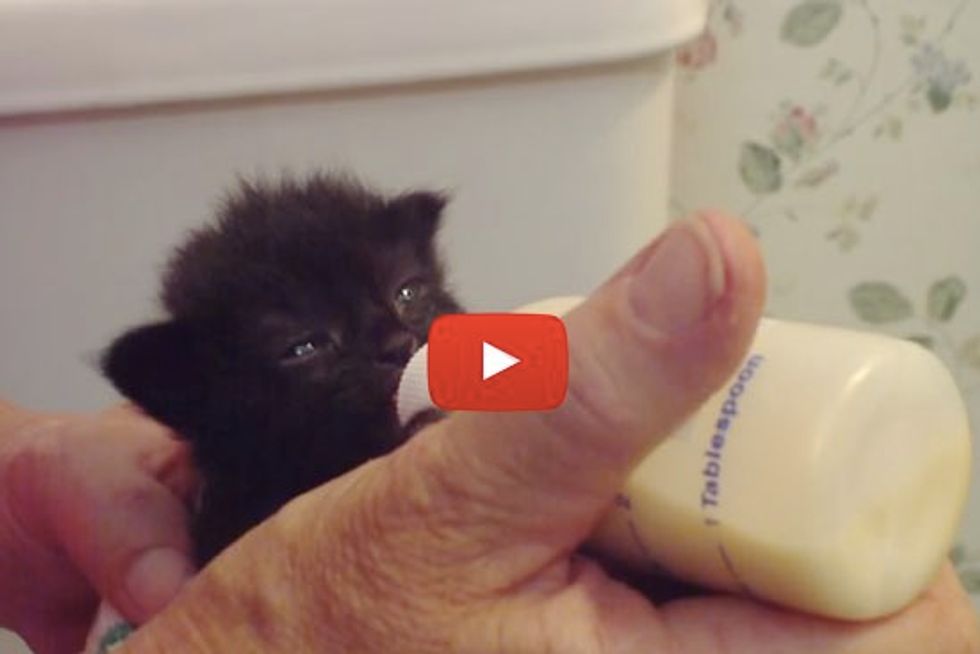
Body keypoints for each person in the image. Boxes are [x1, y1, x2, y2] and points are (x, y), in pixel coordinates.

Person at [1, 213, 977, 653]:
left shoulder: (490, 375)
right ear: (190, 398)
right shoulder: (226, 531)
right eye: (303, 346)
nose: (395, 334)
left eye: (409, 293)